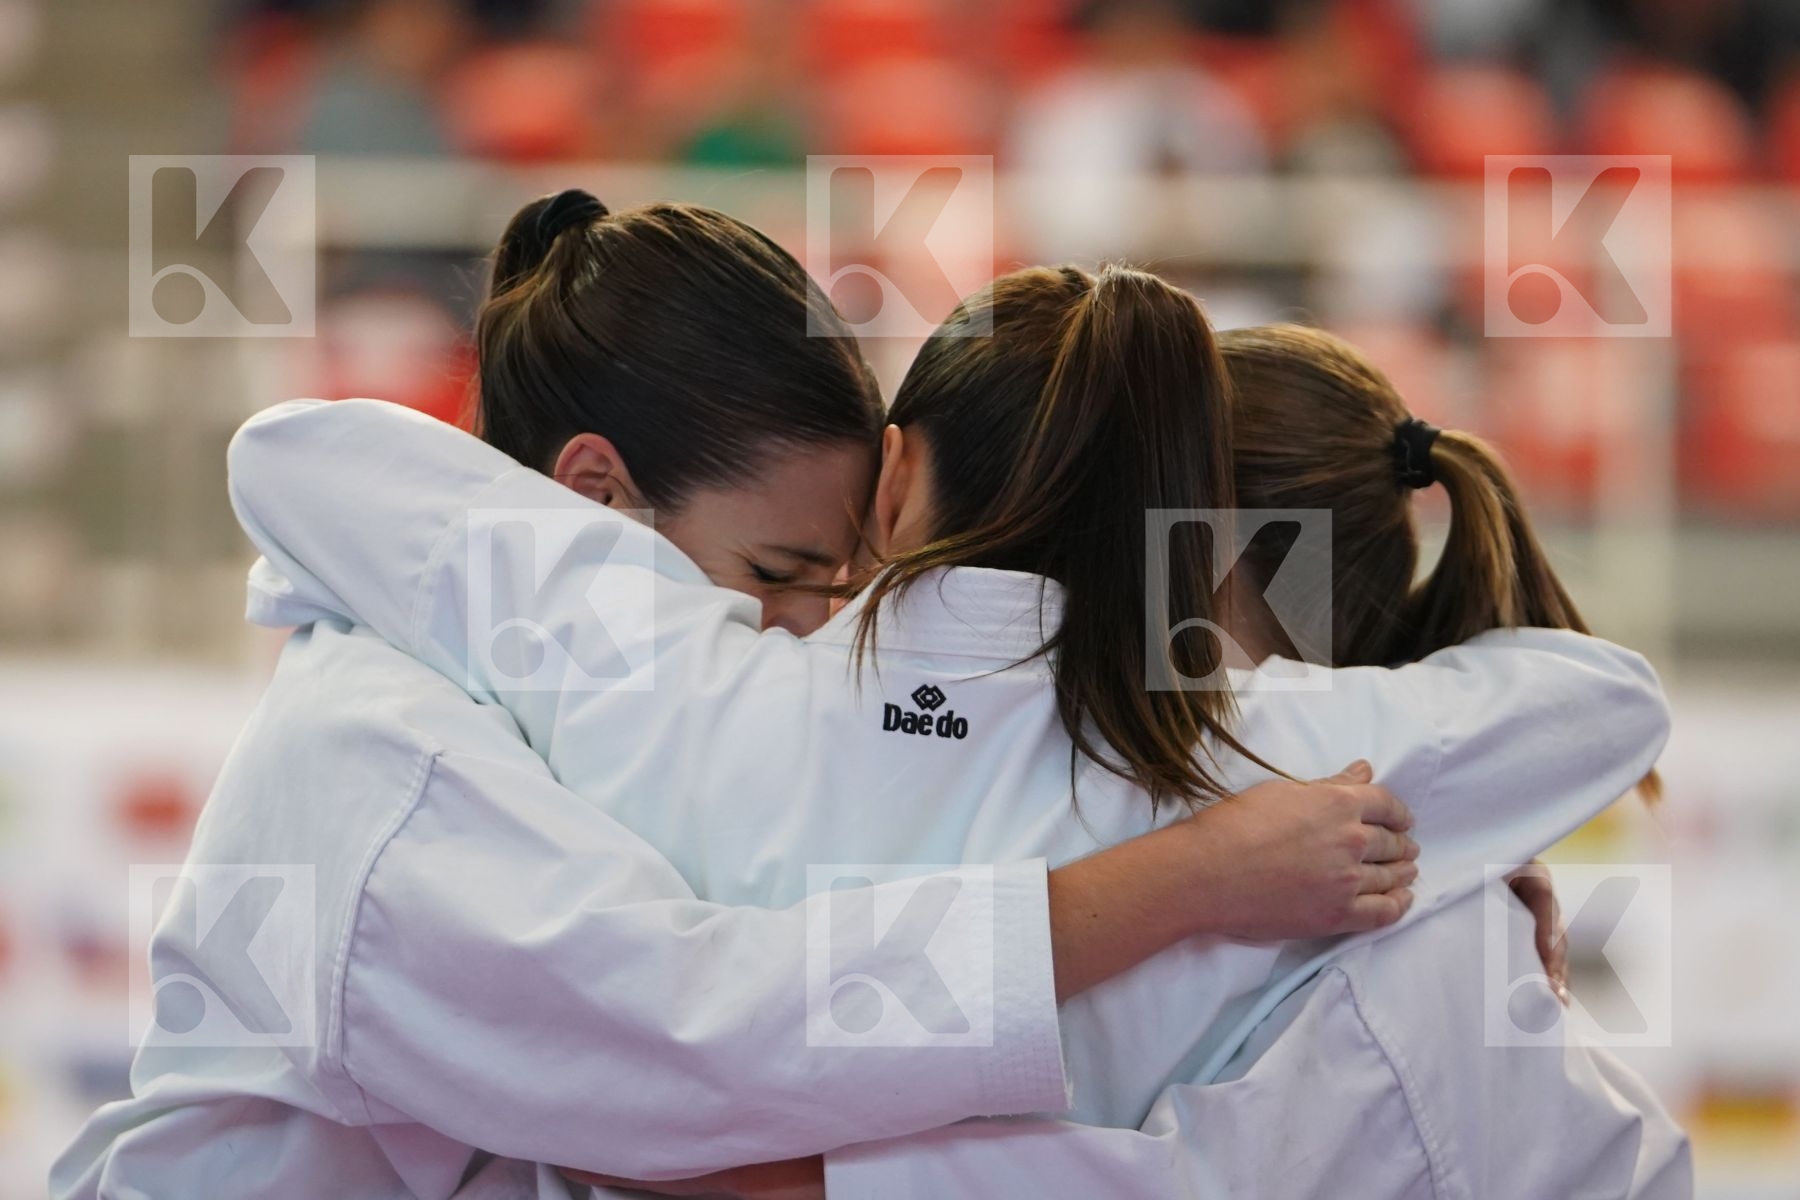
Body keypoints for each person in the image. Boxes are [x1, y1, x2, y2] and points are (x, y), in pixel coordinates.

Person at [219, 234, 1670, 1192]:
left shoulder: (689, 693)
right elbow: (1598, 702)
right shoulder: (1291, 771)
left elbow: (300, 458)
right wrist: (1221, 867)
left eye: (813, 569)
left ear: (900, 476)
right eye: (778, 572)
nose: (812, 607)